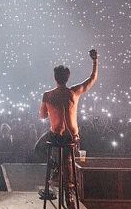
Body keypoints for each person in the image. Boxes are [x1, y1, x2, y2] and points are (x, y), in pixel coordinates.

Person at [35, 49, 99, 185]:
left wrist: (51, 112)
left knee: (38, 149)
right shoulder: (74, 92)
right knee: (67, 159)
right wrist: (95, 61)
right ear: (67, 78)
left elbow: (42, 115)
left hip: (56, 136)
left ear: (55, 78)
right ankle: (69, 192)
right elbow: (92, 78)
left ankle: (55, 167)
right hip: (72, 137)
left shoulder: (48, 95)